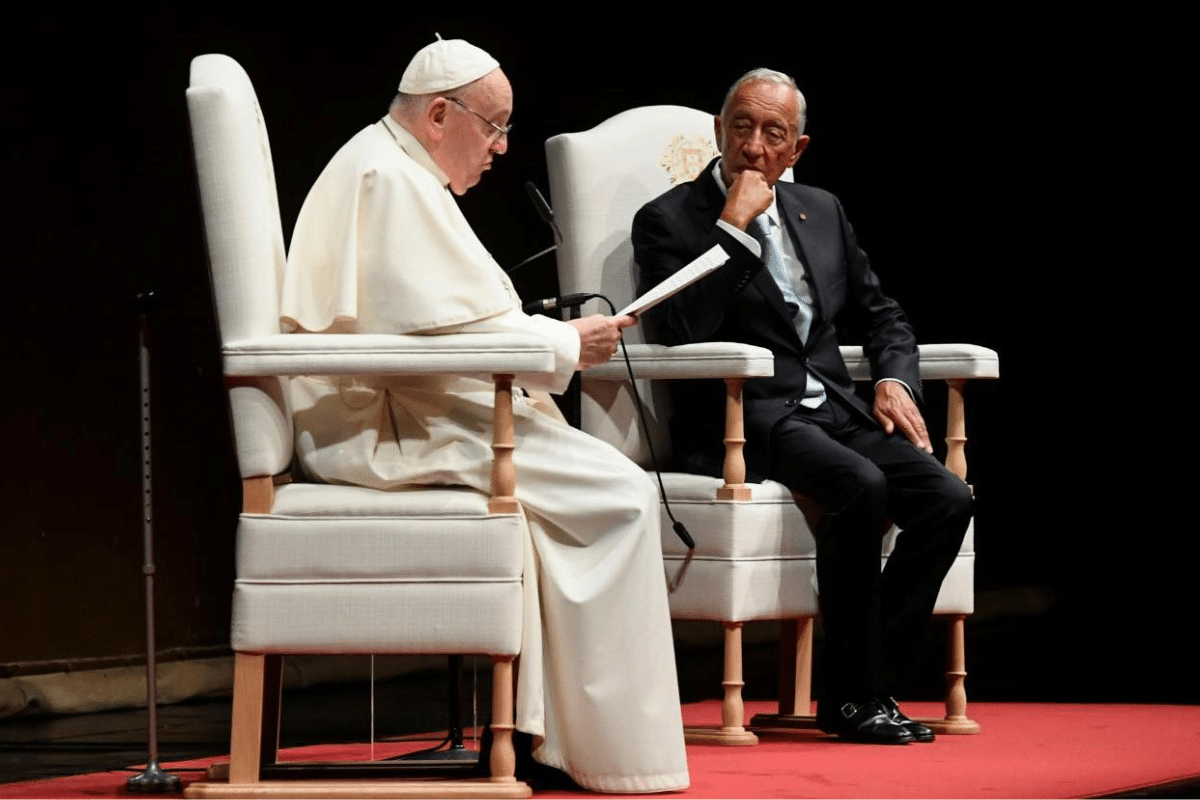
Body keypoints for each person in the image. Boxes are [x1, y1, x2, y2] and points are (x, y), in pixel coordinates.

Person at [280, 36, 689, 791]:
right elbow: (442, 334)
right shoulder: (387, 176)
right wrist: (563, 341)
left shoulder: (395, 167)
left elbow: (443, 322)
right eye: (494, 126)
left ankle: (556, 735)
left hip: (424, 400)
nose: (501, 148)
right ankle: (599, 753)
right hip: (385, 422)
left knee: (611, 487)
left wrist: (551, 341)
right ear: (440, 113)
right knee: (621, 496)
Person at [631, 68, 974, 745]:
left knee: (947, 497)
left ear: (797, 149)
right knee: (861, 485)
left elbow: (885, 316)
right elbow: (678, 335)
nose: (754, 146)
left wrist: (894, 380)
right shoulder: (669, 220)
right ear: (719, 131)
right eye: (741, 127)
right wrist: (732, 228)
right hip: (744, 416)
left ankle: (868, 677)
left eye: (773, 134)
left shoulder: (822, 210)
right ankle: (854, 700)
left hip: (832, 408)